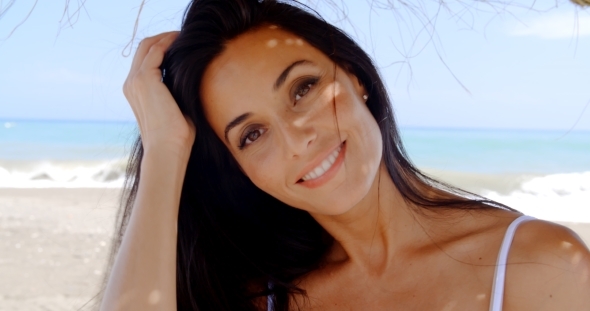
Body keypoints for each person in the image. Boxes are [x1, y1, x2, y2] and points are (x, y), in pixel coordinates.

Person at [99, 0, 590, 310]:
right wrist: (165, 150)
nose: (297, 139)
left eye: (303, 88)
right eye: (252, 135)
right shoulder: (260, 295)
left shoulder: (540, 267)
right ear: (241, 171)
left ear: (353, 75)